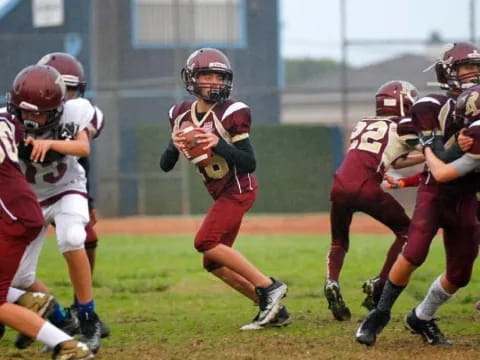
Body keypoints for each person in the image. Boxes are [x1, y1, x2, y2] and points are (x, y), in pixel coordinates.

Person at [356, 41, 480, 346]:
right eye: (466, 67)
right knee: (414, 252)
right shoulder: (431, 106)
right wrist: (440, 146)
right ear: (449, 72)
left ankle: (421, 316)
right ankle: (379, 314)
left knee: (461, 273)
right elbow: (428, 156)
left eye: (477, 68)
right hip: (436, 192)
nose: (473, 74)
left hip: (466, 197)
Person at [159, 48, 289, 330]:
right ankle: (273, 309)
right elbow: (166, 165)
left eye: (219, 76)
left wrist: (216, 143)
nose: (215, 82)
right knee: (213, 262)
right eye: (208, 75)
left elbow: (249, 162)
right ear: (193, 78)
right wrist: (176, 143)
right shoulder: (180, 114)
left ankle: (269, 288)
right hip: (221, 193)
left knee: (204, 242)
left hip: (239, 189)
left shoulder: (232, 112)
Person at [8, 64, 104, 353]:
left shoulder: (75, 110)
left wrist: (48, 142)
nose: (31, 118)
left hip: (67, 189)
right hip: (29, 200)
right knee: (20, 278)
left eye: (38, 112)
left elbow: (83, 148)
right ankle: (61, 320)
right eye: (25, 112)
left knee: (72, 237)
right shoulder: (8, 122)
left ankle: (89, 317)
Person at [325, 80, 423, 321]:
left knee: (339, 240)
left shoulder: (363, 123)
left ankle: (332, 281)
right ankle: (379, 282)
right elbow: (430, 150)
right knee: (407, 231)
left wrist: (420, 157)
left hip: (338, 184)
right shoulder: (404, 125)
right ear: (404, 102)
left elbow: (395, 159)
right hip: (366, 187)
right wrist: (431, 156)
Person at [37, 52, 110, 339]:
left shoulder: (78, 112)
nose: (65, 97)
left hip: (66, 189)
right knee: (18, 266)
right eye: (61, 89)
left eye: (71, 91)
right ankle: (25, 307)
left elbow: (82, 159)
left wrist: (88, 200)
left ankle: (83, 310)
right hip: (28, 193)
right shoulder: (24, 113)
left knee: (84, 238)